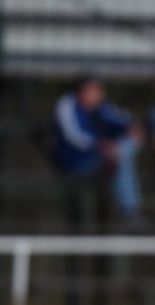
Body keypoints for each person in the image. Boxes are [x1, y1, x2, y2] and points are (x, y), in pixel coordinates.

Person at [52, 74, 147, 230]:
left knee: (125, 149)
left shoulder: (101, 107)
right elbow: (73, 137)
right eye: (96, 91)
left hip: (101, 160)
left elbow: (122, 120)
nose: (101, 95)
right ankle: (129, 212)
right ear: (84, 91)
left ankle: (130, 212)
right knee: (120, 156)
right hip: (75, 163)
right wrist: (99, 144)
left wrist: (132, 128)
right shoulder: (67, 105)